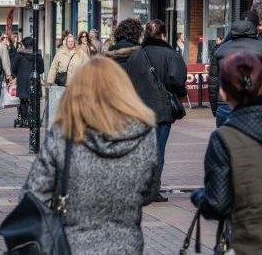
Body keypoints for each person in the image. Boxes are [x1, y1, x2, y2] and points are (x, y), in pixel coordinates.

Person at [22, 57, 158, 254]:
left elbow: (34, 195)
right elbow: (150, 191)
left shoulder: (65, 133)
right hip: (126, 245)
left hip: (71, 244)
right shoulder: (145, 133)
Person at [191, 51, 262, 253]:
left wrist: (199, 196)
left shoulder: (224, 139)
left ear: (223, 92)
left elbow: (217, 204)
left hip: (248, 242)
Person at [123, 19, 187, 202]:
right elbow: (177, 80)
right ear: (163, 34)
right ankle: (153, 190)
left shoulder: (136, 56)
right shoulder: (171, 54)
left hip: (138, 111)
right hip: (161, 111)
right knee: (158, 151)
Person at [209, 17, 262, 127]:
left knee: (225, 139)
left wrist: (215, 107)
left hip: (226, 103)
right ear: (254, 30)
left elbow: (214, 81)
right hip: (256, 101)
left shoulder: (220, 50)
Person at [46, 32, 89, 124]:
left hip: (75, 83)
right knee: (63, 103)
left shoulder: (80, 53)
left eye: (72, 41)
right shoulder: (60, 53)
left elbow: (88, 65)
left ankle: (74, 121)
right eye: (69, 41)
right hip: (62, 83)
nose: (70, 43)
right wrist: (50, 81)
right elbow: (54, 67)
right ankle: (65, 121)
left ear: (74, 42)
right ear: (66, 42)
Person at [11, 36, 44, 128]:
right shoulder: (37, 55)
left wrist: (17, 74)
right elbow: (41, 70)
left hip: (22, 81)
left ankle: (24, 119)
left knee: (23, 101)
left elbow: (13, 68)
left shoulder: (19, 55)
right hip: (34, 81)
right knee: (34, 101)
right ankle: (32, 119)